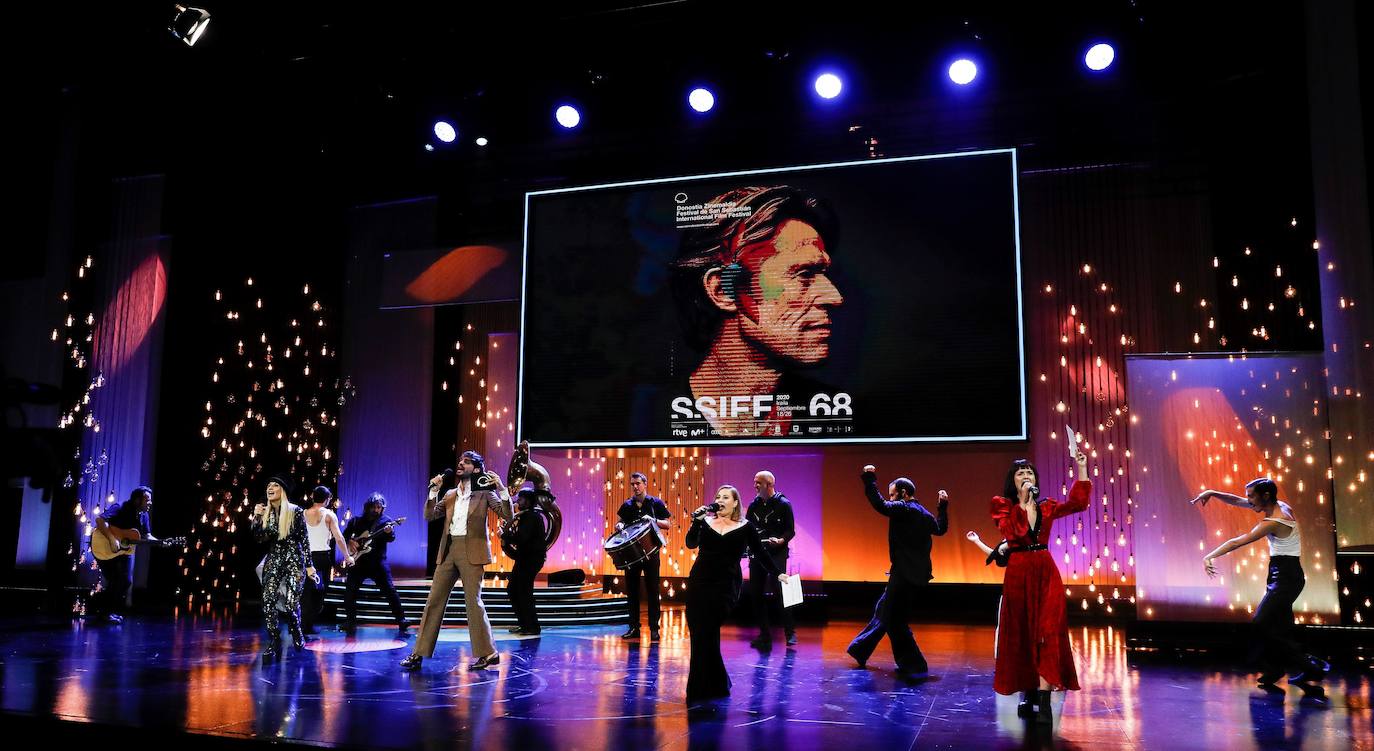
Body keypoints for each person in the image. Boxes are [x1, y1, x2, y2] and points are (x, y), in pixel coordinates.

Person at [670, 185, 845, 437]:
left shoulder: (836, 413)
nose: (835, 297)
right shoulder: (648, 416)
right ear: (724, 291)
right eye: (804, 274)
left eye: (823, 274)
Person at [1192, 479, 1331, 686]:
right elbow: (1236, 500)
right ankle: (1278, 669)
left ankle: (1311, 667)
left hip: (1287, 577)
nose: (1248, 500)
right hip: (1279, 573)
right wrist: (1211, 491)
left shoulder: (1277, 519)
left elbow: (1238, 541)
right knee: (1279, 627)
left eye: (1251, 496)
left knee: (1261, 622)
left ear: (1265, 496)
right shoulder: (1276, 504)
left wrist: (1209, 556)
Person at [989, 454, 1090, 724]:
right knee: (1023, 633)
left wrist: (1081, 466)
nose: (1026, 476)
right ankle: (1029, 693)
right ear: (1013, 481)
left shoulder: (1047, 507)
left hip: (1045, 571)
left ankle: (1044, 702)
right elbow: (1015, 534)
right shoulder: (1002, 507)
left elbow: (1079, 503)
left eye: (1030, 473)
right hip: (1019, 573)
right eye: (1020, 473)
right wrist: (1022, 504)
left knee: (1046, 631)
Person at [401, 451, 512, 671]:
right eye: (461, 461)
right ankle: (418, 653)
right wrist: (434, 490)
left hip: (472, 552)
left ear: (477, 469)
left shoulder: (485, 493)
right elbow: (430, 515)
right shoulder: (450, 494)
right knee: (433, 601)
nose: (461, 464)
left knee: (473, 603)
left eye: (467, 462)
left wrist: (502, 490)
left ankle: (488, 653)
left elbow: (506, 515)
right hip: (449, 550)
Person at [684, 484, 789, 702]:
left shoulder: (745, 526)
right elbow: (690, 543)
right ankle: (707, 685)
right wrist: (696, 521)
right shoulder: (706, 522)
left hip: (726, 585)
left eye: (725, 497)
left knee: (709, 628)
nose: (720, 500)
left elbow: (760, 553)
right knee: (700, 632)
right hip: (699, 582)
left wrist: (777, 573)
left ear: (734, 502)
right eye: (717, 496)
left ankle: (713, 682)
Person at [845, 466, 948, 675]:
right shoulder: (923, 512)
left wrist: (869, 479)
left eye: (893, 494)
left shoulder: (904, 508)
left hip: (903, 574)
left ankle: (914, 663)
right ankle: (860, 649)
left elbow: (880, 505)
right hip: (915, 575)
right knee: (884, 610)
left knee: (893, 620)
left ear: (903, 493)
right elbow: (940, 528)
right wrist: (943, 506)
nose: (891, 499)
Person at [252, 474, 311, 660]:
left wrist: (309, 566)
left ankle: (296, 628)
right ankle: (274, 640)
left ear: (282, 491)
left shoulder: (296, 511)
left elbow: (305, 540)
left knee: (291, 604)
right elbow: (259, 538)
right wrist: (256, 517)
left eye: (275, 485)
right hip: (274, 558)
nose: (270, 488)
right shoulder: (266, 513)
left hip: (294, 559)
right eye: (268, 485)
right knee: (268, 600)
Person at [341, 492, 411, 636]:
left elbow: (391, 538)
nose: (376, 510)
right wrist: (350, 541)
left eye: (379, 507)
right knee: (350, 592)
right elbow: (345, 534)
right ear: (367, 507)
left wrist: (389, 532)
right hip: (358, 561)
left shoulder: (386, 521)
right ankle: (350, 622)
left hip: (378, 562)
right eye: (374, 506)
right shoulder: (356, 521)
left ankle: (402, 620)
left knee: (390, 591)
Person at [616, 472, 671, 641]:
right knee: (632, 592)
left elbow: (668, 524)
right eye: (632, 484)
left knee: (653, 591)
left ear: (645, 484)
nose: (635, 487)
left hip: (651, 553)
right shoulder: (627, 505)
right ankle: (634, 628)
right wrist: (619, 525)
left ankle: (654, 629)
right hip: (632, 556)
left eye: (638, 483)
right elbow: (619, 522)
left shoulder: (655, 503)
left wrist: (653, 520)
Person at [746, 470, 797, 647]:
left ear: (769, 484)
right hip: (758, 553)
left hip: (777, 553)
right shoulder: (754, 505)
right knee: (755, 593)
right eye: (755, 482)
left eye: (758, 482)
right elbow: (748, 528)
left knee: (782, 592)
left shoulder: (784, 504)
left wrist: (781, 540)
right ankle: (764, 634)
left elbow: (790, 530)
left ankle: (790, 633)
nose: (755, 485)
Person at [92, 486, 157, 624]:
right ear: (137, 500)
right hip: (105, 546)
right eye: (147, 500)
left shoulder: (144, 515)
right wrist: (111, 538)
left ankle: (108, 612)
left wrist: (160, 542)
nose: (150, 503)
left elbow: (147, 535)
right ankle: (104, 613)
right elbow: (99, 520)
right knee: (115, 579)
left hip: (125, 551)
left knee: (126, 581)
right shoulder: (120, 507)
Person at [302, 485, 353, 636]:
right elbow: (339, 537)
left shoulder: (303, 513)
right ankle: (306, 625)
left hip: (305, 557)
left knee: (306, 593)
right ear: (327, 499)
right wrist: (347, 556)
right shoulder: (329, 515)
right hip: (321, 558)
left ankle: (304, 625)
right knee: (318, 594)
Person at [501, 488, 551, 635]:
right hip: (525, 559)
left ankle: (532, 626)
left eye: (520, 499)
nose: (517, 501)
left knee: (522, 592)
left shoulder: (532, 517)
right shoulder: (526, 516)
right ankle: (525, 624)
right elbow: (521, 542)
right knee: (515, 591)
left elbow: (522, 538)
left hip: (531, 560)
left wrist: (506, 535)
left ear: (528, 501)